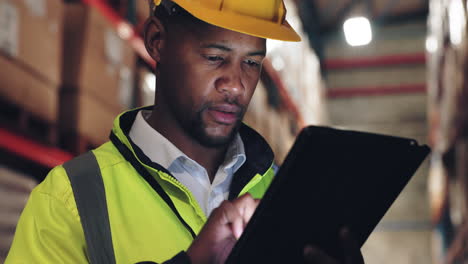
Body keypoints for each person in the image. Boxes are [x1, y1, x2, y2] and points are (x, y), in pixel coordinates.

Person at [6, 0, 365, 263]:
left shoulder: (287, 192)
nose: (237, 86)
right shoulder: (70, 203)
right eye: (215, 58)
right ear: (157, 41)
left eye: (252, 63)